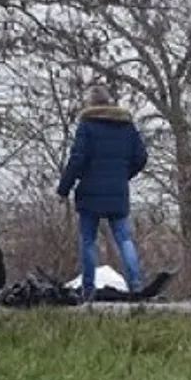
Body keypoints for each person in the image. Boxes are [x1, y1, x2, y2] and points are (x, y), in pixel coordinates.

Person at [55, 85, 148, 301]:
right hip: (118, 191)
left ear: (90, 104)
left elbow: (77, 159)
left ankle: (88, 289)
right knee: (124, 239)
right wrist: (123, 175)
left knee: (88, 240)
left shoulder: (87, 126)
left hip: (89, 191)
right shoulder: (127, 126)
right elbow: (141, 157)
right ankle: (136, 284)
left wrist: (63, 189)